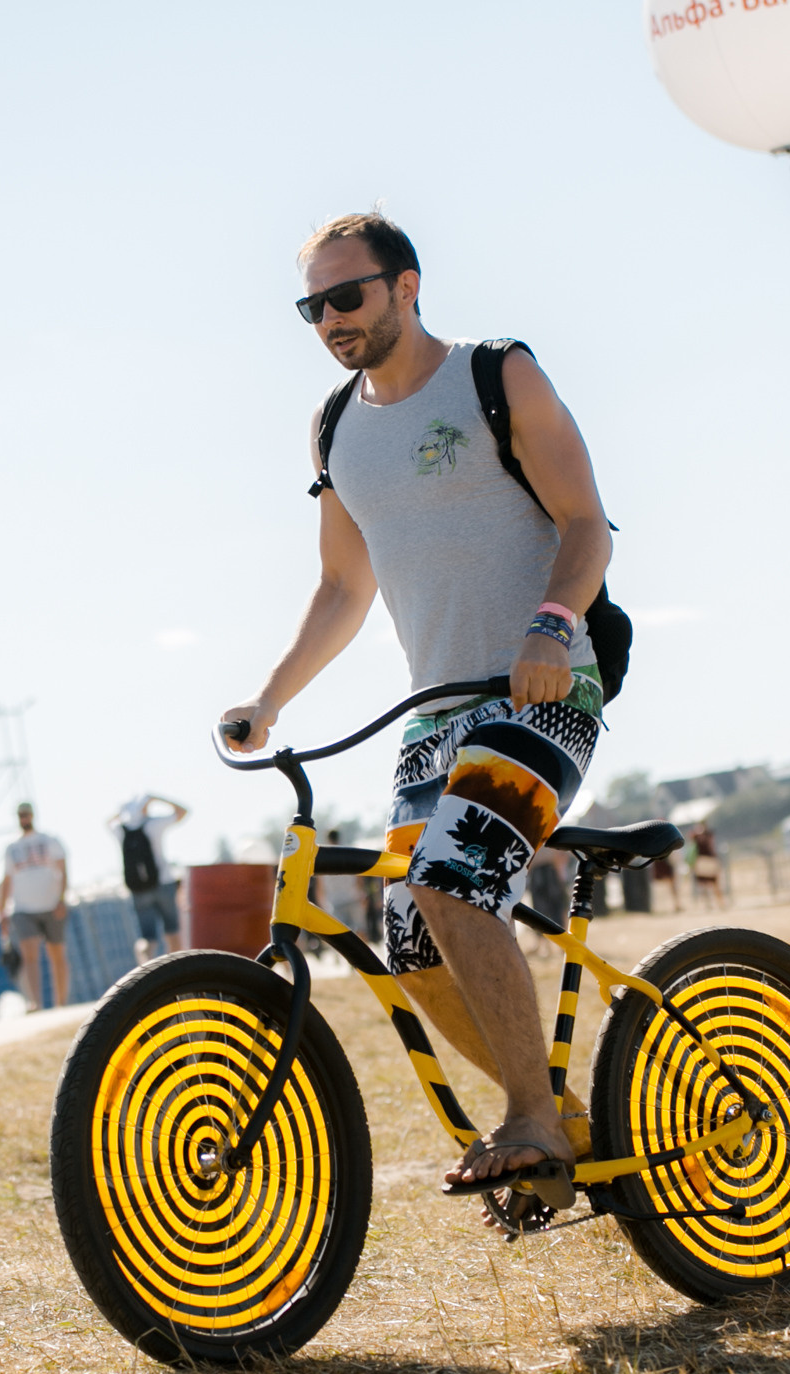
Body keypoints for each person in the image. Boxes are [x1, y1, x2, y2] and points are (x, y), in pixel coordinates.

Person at [219, 212, 614, 1192]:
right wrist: (267, 701)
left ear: (406, 285)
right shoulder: (336, 427)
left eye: (344, 296)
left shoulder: (495, 372)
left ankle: (526, 1119)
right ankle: (556, 1118)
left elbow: (584, 522)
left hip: (547, 689)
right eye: (310, 306)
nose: (328, 320)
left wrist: (551, 626)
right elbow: (343, 589)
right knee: (406, 937)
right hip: (435, 714)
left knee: (450, 882)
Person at [0, 802, 70, 1011]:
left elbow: (64, 871)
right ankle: (36, 1003)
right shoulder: (11, 848)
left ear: (32, 815)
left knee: (56, 954)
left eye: (27, 814)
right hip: (23, 908)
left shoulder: (50, 840)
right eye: (20, 815)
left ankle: (61, 1002)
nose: (24, 818)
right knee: (29, 956)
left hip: (50, 904)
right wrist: (2, 910)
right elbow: (7, 880)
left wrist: (61, 898)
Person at [111, 794, 189, 960]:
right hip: (164, 883)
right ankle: (177, 973)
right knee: (172, 932)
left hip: (138, 889)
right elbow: (183, 811)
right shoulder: (153, 825)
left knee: (147, 938)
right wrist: (157, 798)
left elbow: (107, 822)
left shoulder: (120, 830)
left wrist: (122, 813)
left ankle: (144, 974)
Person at [689, 818, 727, 909]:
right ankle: (709, 904)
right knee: (704, 884)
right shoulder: (696, 835)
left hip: (708, 860)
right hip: (702, 860)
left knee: (715, 883)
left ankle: (720, 903)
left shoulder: (708, 834)